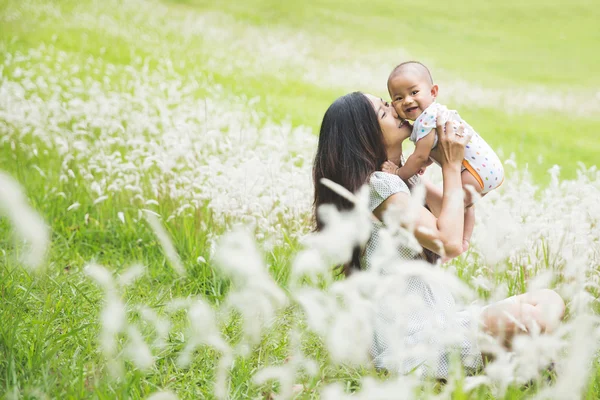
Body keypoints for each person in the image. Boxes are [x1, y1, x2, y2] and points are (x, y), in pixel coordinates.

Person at [312, 91, 565, 378]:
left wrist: (449, 161)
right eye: (384, 112)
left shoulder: (396, 180)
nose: (396, 110)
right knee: (529, 318)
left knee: (549, 299)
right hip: (417, 345)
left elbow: (455, 207)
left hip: (447, 323)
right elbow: (450, 243)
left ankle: (518, 363)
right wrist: (453, 165)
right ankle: (522, 365)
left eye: (388, 103)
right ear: (365, 136)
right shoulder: (378, 186)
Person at [382, 61, 504, 252]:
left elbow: (419, 156)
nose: (407, 101)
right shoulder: (435, 114)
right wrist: (428, 162)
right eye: (398, 98)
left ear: (433, 92)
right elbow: (433, 148)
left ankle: (456, 242)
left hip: (476, 170)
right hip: (485, 167)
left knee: (454, 205)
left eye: (414, 93)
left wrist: (398, 173)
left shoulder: (426, 120)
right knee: (465, 204)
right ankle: (464, 240)